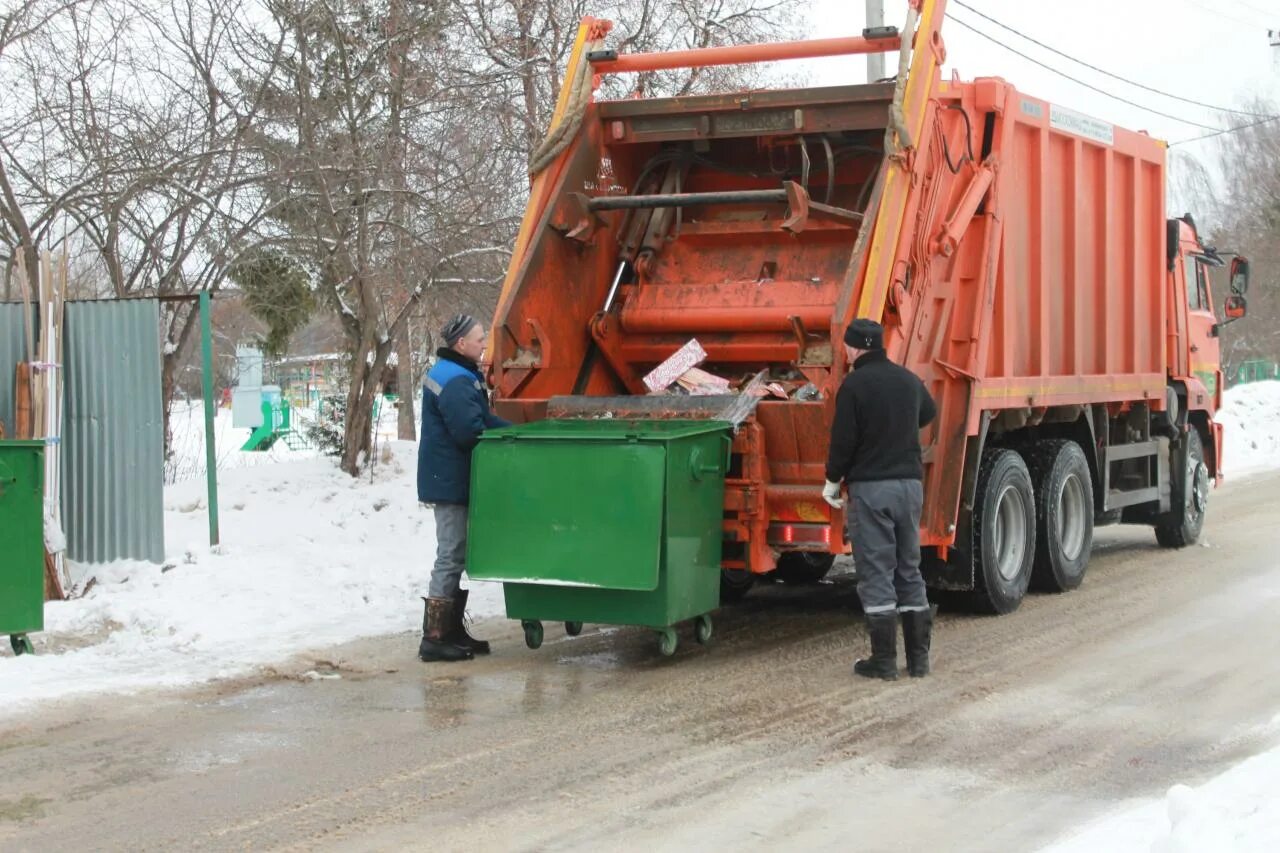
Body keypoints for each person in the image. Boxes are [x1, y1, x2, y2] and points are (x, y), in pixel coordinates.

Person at [823, 318, 937, 680]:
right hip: (909, 486)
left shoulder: (854, 385)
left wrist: (831, 480)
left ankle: (884, 661)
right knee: (909, 568)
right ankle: (919, 663)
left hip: (873, 489)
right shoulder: (907, 380)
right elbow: (929, 413)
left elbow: (843, 440)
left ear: (854, 348)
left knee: (876, 571)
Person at [417, 314, 512, 663]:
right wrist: (508, 436)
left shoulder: (453, 372)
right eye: (478, 339)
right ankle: (435, 637)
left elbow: (482, 420)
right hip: (449, 479)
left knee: (456, 553)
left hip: (447, 477)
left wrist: (515, 430)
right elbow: (470, 431)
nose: (484, 343)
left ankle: (452, 631)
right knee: (451, 554)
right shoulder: (456, 379)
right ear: (461, 344)